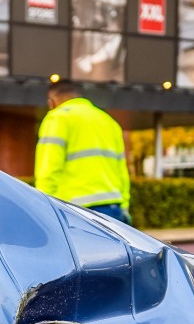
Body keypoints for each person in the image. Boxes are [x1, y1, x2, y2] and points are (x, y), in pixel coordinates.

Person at [33, 79, 132, 224]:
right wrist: (124, 207)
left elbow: (48, 169)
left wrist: (41, 207)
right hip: (113, 209)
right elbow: (122, 171)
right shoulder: (109, 122)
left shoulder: (57, 117)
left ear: (52, 102)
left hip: (74, 211)